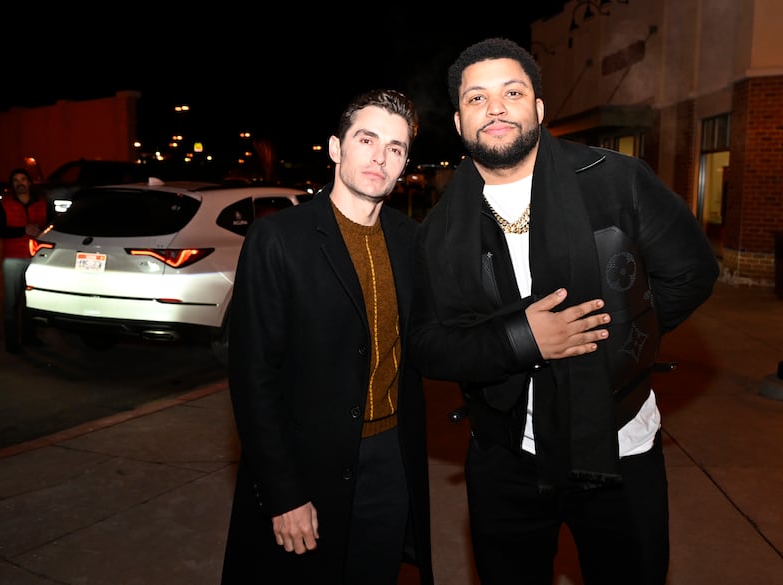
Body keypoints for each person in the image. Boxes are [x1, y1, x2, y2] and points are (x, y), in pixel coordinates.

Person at [408, 38, 720, 585]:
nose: (496, 107)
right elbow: (430, 343)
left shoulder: (617, 179)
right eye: (477, 98)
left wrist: (622, 335)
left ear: (539, 109)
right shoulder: (439, 230)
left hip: (620, 444)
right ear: (459, 122)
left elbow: (691, 272)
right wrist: (520, 341)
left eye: (512, 91)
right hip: (505, 455)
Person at [221, 89, 434, 585]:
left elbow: (429, 339)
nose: (381, 156)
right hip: (307, 464)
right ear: (336, 149)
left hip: (390, 460)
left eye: (396, 148)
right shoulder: (278, 239)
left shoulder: (409, 239)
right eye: (367, 139)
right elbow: (253, 379)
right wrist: (283, 493)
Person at [0, 168, 48, 353]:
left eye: (23, 179)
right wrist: (22, 231)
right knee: (11, 302)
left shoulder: (41, 203)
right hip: (12, 259)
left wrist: (42, 232)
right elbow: (0, 231)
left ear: (29, 182)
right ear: (12, 184)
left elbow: (51, 226)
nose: (20, 183)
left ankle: (29, 338)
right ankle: (12, 343)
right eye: (16, 180)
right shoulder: (5, 205)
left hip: (36, 258)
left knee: (30, 300)